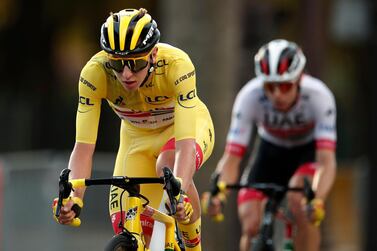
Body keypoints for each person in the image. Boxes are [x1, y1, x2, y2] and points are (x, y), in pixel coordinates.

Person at [53, 8, 214, 251]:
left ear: (153, 54)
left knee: (167, 168)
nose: (126, 74)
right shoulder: (94, 73)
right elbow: (83, 148)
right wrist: (74, 197)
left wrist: (179, 191)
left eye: (136, 63)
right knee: (128, 231)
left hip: (181, 133)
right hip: (135, 140)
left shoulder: (177, 65)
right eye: (117, 65)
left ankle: (193, 244)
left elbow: (185, 146)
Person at [203, 39, 336, 251]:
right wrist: (219, 194)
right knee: (250, 222)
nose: (277, 95)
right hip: (270, 152)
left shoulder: (319, 96)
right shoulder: (249, 96)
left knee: (300, 201)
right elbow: (232, 158)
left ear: (299, 78)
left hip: (306, 153)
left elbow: (326, 161)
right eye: (269, 86)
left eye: (284, 85)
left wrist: (317, 199)